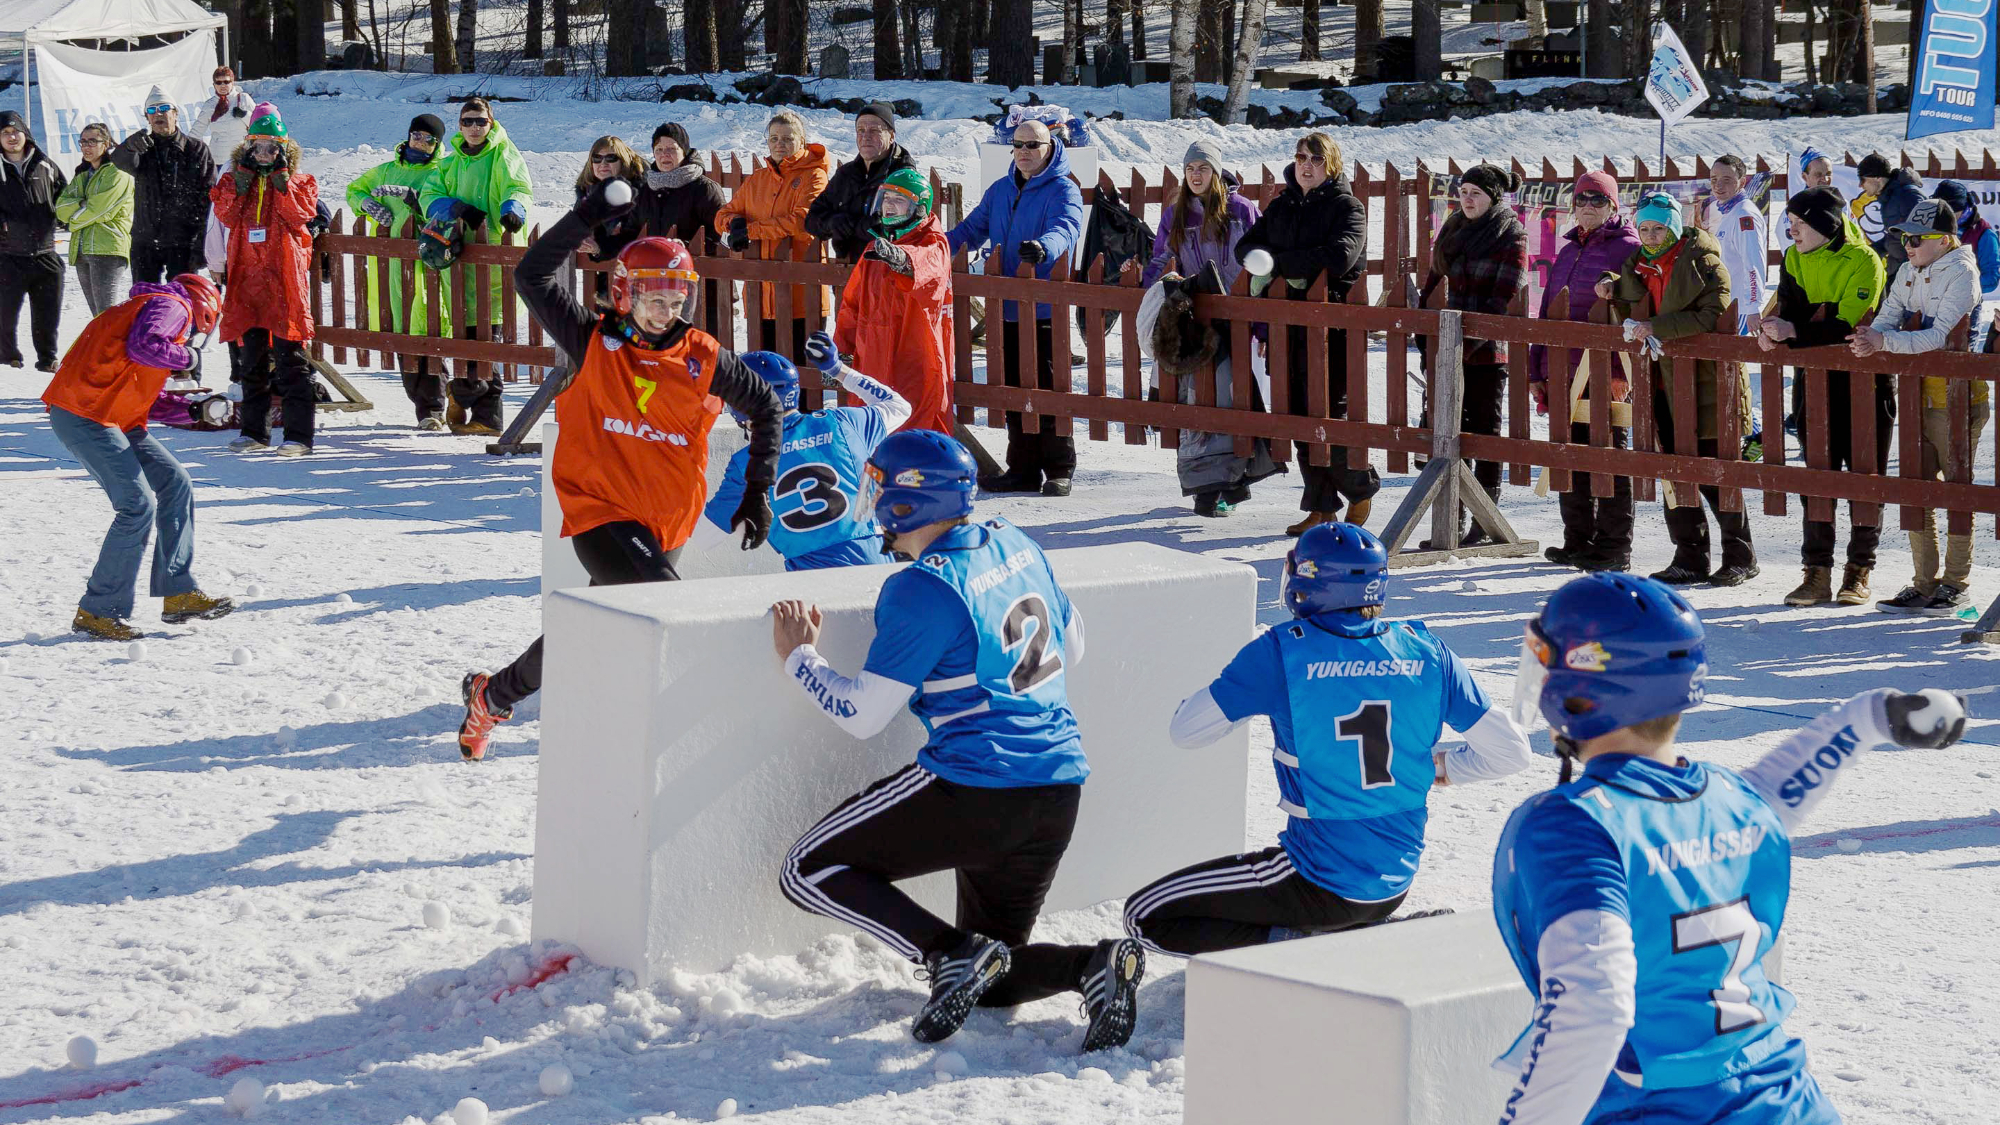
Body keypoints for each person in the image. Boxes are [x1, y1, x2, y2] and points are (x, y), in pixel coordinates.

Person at [1491, 571, 1968, 1124]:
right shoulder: (1733, 799)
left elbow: (1591, 1009)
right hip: (1785, 1101)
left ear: (1581, 689)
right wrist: (1871, 717)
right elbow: (1780, 789)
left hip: (1660, 1106)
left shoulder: (1573, 824)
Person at [767, 430, 1144, 1051]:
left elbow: (862, 714)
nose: (873, 498)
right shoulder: (1017, 541)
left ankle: (947, 953)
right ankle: (1090, 966)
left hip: (975, 786)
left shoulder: (922, 585)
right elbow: (1072, 646)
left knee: (807, 870)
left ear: (907, 504)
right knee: (993, 976)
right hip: (1058, 791)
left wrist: (799, 658)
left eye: (880, 487)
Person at [455, 186, 783, 762]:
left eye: (676, 296)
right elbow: (531, 277)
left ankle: (493, 694)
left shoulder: (703, 356)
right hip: (599, 510)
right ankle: (704, 739)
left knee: (590, 630)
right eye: (653, 296)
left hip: (666, 520)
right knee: (670, 607)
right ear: (626, 293)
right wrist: (585, 216)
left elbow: (766, 407)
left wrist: (757, 492)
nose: (666, 309)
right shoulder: (593, 340)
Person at [1123, 523, 1532, 955]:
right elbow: (1512, 754)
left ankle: (1304, 950)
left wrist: (1246, 690)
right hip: (1393, 885)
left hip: (1315, 881)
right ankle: (1350, 934)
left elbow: (1185, 731)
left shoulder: (1282, 653)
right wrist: (1440, 766)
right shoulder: (1427, 651)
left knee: (1144, 914)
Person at [40, 273, 234, 640]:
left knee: (176, 483)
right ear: (206, 311)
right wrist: (188, 355)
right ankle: (98, 611)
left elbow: (142, 391)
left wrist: (193, 411)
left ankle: (178, 593)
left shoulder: (150, 311)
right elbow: (144, 346)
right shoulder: (173, 306)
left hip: (111, 417)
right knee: (136, 504)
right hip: (85, 414)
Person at [1595, 191, 1758, 587]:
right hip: (1660, 381)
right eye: (1644, 229)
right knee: (1672, 469)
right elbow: (1634, 302)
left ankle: (1741, 554)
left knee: (1713, 469)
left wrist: (1658, 328)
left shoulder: (1704, 262)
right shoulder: (1636, 265)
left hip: (1707, 381)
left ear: (1674, 226)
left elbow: (1712, 313)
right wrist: (1611, 286)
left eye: (1658, 228)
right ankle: (1689, 555)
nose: (1651, 236)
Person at [1850, 199, 1989, 618]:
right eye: (1904, 238)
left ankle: (1956, 584)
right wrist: (1869, 337)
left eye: (1916, 238)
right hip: (1914, 394)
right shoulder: (1909, 271)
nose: (1907, 246)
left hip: (1956, 395)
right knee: (1916, 489)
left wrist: (1883, 342)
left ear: (1944, 239)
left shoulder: (1962, 272)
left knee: (1955, 492)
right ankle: (1924, 583)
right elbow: (1889, 317)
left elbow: (1940, 337)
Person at [1235, 133, 1374, 534]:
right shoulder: (1282, 205)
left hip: (1333, 327)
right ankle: (1321, 506)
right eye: (1300, 157)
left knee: (1329, 414)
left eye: (1315, 158)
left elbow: (1340, 256)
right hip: (1287, 326)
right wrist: (1269, 263)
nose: (1305, 165)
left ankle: (1360, 488)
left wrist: (1278, 264)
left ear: (1331, 165)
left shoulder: (1347, 206)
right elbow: (1245, 247)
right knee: (1297, 414)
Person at [1759, 186, 1888, 608]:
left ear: (1824, 224)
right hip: (1812, 379)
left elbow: (1848, 324)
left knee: (1863, 476)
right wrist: (1774, 329)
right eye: (1789, 223)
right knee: (1816, 475)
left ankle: (1859, 570)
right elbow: (1791, 310)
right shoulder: (1795, 258)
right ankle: (1816, 572)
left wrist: (1795, 332)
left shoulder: (1864, 259)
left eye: (1799, 223)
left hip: (1865, 381)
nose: (1791, 230)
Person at [946, 120, 1085, 497]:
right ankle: (1021, 469)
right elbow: (970, 230)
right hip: (1004, 306)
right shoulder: (1000, 190)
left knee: (1048, 389)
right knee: (1011, 389)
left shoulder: (1064, 189)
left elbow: (1067, 227)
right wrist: (932, 246)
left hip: (1044, 309)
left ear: (1049, 146)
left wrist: (1044, 247)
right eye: (1018, 144)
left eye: (1032, 145)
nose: (1024, 151)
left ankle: (1059, 468)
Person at [691, 336, 910, 569]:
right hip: (877, 566)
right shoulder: (844, 422)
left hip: (811, 582)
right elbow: (899, 406)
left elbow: (704, 538)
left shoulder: (745, 464)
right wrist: (837, 369)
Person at [1528, 170, 1639, 571]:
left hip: (1602, 370)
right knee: (1568, 452)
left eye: (1598, 199)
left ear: (1613, 206)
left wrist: (1619, 372)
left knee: (1607, 455)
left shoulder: (1628, 248)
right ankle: (1577, 538)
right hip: (1562, 366)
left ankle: (1613, 545)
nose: (1588, 206)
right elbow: (1547, 312)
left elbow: (1632, 311)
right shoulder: (1568, 250)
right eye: (1582, 199)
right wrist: (1536, 366)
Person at [1418, 162, 1529, 548]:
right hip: (1445, 347)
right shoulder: (1451, 228)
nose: (1467, 198)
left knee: (1483, 433)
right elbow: (1433, 280)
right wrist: (1425, 332)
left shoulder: (1509, 233)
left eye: (1476, 193)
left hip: (1485, 355)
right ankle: (1451, 519)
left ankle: (1485, 519)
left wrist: (1465, 346)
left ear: (1492, 197)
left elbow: (1502, 297)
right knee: (1448, 433)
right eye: (1463, 191)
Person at [418, 97, 534, 436]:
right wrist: (454, 206)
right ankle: (465, 394)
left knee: (489, 337)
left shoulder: (504, 154)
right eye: (467, 121)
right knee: (465, 335)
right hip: (458, 258)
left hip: (495, 259)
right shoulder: (450, 162)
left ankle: (486, 415)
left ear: (491, 123)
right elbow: (429, 194)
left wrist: (513, 210)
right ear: (459, 125)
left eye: (480, 122)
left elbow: (518, 186)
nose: (473, 128)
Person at [210, 105, 320, 457]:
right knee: (251, 360)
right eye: (257, 146)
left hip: (284, 280)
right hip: (247, 281)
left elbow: (300, 214)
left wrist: (282, 180)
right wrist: (241, 181)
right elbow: (224, 212)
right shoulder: (235, 180)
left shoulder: (300, 182)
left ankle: (298, 436)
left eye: (272, 147)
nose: (263, 154)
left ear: (284, 149)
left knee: (292, 361)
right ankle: (254, 430)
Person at [1138, 266, 1281, 517]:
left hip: (1229, 325)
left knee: (1224, 410)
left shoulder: (1241, 225)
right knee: (1208, 412)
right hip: (1199, 327)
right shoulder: (1180, 226)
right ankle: (1214, 489)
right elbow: (1162, 254)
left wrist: (1261, 331)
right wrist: (1157, 275)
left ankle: (1220, 488)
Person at [831, 166, 954, 434]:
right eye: (886, 199)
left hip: (914, 359)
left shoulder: (933, 241)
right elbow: (852, 304)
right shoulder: (875, 248)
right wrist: (842, 349)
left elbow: (928, 263)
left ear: (919, 207)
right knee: (869, 429)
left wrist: (903, 260)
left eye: (898, 201)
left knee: (914, 428)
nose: (889, 206)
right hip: (872, 357)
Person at [347, 114, 452, 428]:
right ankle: (422, 405)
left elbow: (445, 205)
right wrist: (366, 204)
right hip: (392, 267)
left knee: (429, 333)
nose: (420, 143)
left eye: (428, 139)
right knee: (402, 333)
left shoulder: (441, 172)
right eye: (416, 136)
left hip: (429, 266)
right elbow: (354, 189)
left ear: (437, 144)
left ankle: (433, 409)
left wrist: (415, 201)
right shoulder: (385, 170)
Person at [713, 110, 833, 362]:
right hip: (760, 296)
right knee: (764, 375)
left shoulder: (815, 176)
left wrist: (750, 230)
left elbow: (802, 221)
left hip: (802, 293)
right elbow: (723, 214)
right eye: (774, 138)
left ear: (802, 141)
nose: (780, 144)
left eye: (788, 139)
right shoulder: (758, 179)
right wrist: (733, 223)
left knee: (801, 377)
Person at [111, 84, 216, 284]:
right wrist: (128, 147)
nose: (158, 114)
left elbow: (209, 197)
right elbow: (119, 161)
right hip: (146, 240)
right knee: (144, 302)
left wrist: (202, 241)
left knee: (181, 303)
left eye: (164, 109)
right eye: (152, 110)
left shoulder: (196, 149)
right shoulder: (142, 147)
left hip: (183, 241)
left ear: (175, 114)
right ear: (147, 118)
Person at [805, 102, 918, 264]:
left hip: (888, 274)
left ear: (891, 136)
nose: (866, 136)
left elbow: (899, 227)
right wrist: (833, 223)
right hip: (848, 273)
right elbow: (811, 220)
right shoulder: (846, 174)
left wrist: (854, 227)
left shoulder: (903, 176)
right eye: (861, 130)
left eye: (874, 130)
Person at [0, 111, 68, 371]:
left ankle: (47, 358)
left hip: (45, 251)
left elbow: (64, 195)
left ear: (25, 134)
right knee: (5, 314)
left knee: (47, 314)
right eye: (5, 133)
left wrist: (64, 217)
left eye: (15, 131)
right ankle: (8, 354)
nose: (11, 137)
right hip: (8, 255)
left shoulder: (44, 163)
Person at [53, 122, 133, 318]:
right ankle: (103, 349)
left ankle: (116, 349)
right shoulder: (83, 174)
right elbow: (60, 209)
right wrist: (82, 206)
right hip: (82, 250)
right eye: (83, 142)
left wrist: (74, 218)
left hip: (107, 249)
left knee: (107, 315)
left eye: (92, 141)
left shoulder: (118, 172)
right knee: (98, 317)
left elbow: (98, 211)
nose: (86, 146)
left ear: (105, 144)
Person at [1698, 155, 1768, 336]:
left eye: (1727, 180)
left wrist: (1752, 306)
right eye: (1714, 180)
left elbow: (1753, 262)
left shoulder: (1744, 215)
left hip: (1740, 308)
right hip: (1725, 304)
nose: (1718, 186)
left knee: (1731, 361)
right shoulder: (1728, 211)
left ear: (1742, 182)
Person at [1931, 179, 2000, 340]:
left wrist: (1958, 285)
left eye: (1946, 211)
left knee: (1963, 356)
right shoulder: (1936, 226)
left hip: (1966, 308)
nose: (1941, 216)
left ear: (1960, 208)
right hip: (1931, 303)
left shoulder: (1984, 235)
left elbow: (1992, 278)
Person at [636, 122, 724, 247]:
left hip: (690, 264)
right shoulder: (646, 189)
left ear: (684, 151)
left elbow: (718, 234)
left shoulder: (704, 189)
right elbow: (631, 230)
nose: (664, 154)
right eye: (659, 149)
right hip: (649, 263)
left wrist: (687, 247)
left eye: (671, 149)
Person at [1855, 153, 1925, 286]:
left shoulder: (1907, 195)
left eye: (1862, 179)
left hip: (1910, 276)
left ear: (1877, 178)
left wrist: (1909, 272)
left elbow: (1922, 237)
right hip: (1897, 270)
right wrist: (1874, 250)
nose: (1860, 185)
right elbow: (1895, 236)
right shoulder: (1889, 196)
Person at [198, 66, 256, 168]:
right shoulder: (209, 105)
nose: (223, 85)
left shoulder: (243, 99)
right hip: (219, 159)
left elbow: (258, 124)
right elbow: (197, 130)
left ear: (232, 82)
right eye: (218, 82)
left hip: (241, 158)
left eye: (226, 82)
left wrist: (244, 115)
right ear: (214, 85)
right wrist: (185, 148)